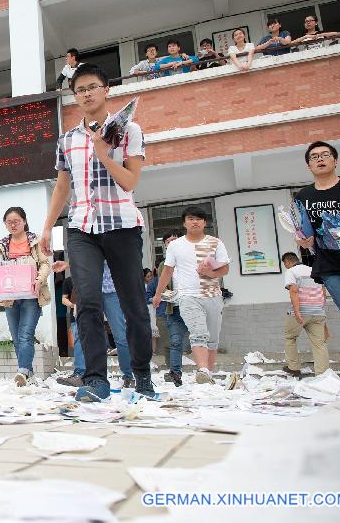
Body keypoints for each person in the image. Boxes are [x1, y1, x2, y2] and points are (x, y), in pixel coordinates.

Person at [40, 63, 155, 402]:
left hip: (122, 225)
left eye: (92, 87)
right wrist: (48, 227)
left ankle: (142, 376)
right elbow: (63, 186)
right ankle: (95, 380)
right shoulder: (67, 139)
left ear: (106, 90)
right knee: (86, 302)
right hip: (81, 228)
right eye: (80, 90)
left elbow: (130, 181)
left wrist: (104, 154)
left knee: (133, 304)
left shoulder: (129, 130)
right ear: (75, 96)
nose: (86, 93)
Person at [295, 141, 340, 372]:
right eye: (314, 157)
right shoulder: (304, 195)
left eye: (325, 155)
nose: (320, 159)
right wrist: (304, 241)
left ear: (335, 160)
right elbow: (306, 231)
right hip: (332, 269)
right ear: (308, 165)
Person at [153, 206, 231, 384]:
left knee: (212, 338)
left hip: (213, 295)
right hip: (187, 296)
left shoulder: (215, 242)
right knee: (198, 333)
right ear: (184, 222)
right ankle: (202, 369)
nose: (195, 222)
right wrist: (158, 294)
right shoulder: (175, 245)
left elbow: (225, 268)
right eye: (190, 219)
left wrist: (209, 273)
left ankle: (207, 374)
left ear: (205, 222)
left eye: (198, 219)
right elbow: (167, 271)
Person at [0, 208, 52, 387]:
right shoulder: (2, 245)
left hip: (31, 296)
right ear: (5, 224)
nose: (13, 224)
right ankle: (28, 373)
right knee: (16, 338)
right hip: (10, 298)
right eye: (9, 222)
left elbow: (45, 264)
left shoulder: (35, 241)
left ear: (24, 221)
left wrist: (39, 280)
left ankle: (22, 371)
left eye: (17, 220)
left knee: (25, 335)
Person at [281, 252, 330, 376]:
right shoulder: (314, 271)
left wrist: (297, 312)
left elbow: (293, 290)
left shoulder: (291, 271)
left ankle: (293, 367)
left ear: (287, 262)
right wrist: (321, 312)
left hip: (300, 312)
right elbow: (323, 293)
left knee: (290, 338)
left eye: (285, 264)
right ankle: (322, 373)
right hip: (318, 311)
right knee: (319, 343)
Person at [155, 230, 189, 386]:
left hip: (193, 306)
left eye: (175, 239)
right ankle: (175, 372)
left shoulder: (191, 259)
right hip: (174, 308)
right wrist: (167, 295)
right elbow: (162, 288)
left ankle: (205, 371)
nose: (172, 243)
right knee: (175, 341)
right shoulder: (163, 265)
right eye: (168, 241)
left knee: (200, 340)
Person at [101, 262, 136, 387]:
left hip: (113, 291)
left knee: (120, 335)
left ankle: (128, 375)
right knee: (90, 335)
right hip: (91, 290)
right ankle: (93, 376)